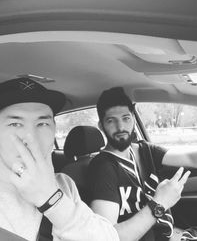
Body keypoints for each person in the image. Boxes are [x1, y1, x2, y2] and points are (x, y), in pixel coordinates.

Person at [87, 86, 197, 241]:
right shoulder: (103, 168)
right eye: (111, 121)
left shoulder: (144, 151)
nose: (121, 126)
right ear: (101, 126)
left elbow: (193, 159)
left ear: (133, 121)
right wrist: (160, 203)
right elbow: (106, 237)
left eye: (126, 118)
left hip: (176, 235)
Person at [0, 77, 119, 241]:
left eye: (42, 124)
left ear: (54, 129)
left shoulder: (63, 184)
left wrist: (52, 200)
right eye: (15, 124)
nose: (31, 138)